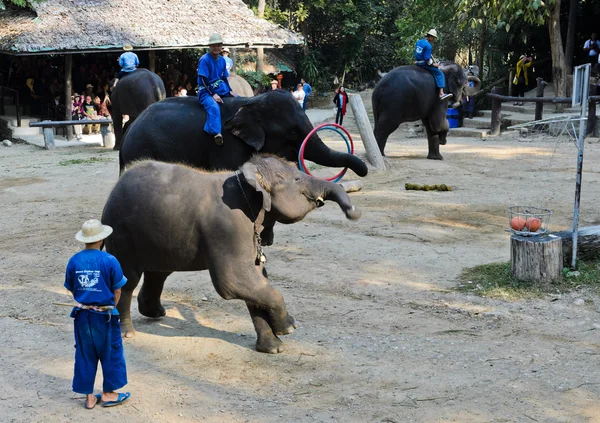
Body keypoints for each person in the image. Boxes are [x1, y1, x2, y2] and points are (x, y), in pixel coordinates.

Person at [64, 219, 130, 410]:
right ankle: (109, 394)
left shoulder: (74, 260)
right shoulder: (110, 260)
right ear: (101, 240)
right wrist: (110, 306)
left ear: (84, 239)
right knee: (111, 353)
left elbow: (71, 287)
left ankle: (89, 397)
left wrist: (86, 299)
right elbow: (118, 290)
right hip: (106, 317)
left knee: (85, 354)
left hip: (82, 316)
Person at [197, 33, 237, 145]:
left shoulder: (223, 60)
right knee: (214, 107)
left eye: (218, 45)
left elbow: (224, 77)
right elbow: (203, 79)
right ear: (210, 46)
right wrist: (213, 94)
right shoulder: (204, 60)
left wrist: (230, 90)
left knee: (238, 100)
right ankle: (216, 133)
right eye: (214, 45)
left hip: (221, 88)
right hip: (206, 91)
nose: (216, 47)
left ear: (221, 46)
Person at [414, 29, 452, 100]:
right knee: (439, 74)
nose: (433, 39)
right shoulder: (428, 46)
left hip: (417, 62)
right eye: (433, 37)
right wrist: (434, 65)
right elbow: (427, 59)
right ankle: (441, 93)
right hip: (423, 64)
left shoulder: (419, 42)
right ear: (430, 36)